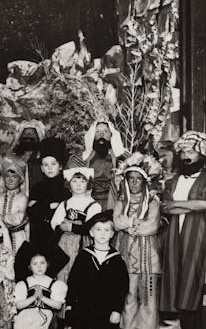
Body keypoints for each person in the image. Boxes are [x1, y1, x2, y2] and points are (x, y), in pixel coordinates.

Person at [160, 131, 206, 329]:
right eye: (183, 152)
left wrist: (178, 205)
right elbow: (165, 206)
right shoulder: (174, 179)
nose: (186, 156)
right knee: (174, 272)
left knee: (194, 273)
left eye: (191, 152)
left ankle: (190, 321)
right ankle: (177, 319)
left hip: (198, 232)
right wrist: (193, 204)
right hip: (173, 233)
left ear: (201, 155)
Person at [112, 153, 162, 329]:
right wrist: (132, 223)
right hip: (126, 255)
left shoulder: (153, 201)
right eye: (130, 178)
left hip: (148, 256)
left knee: (148, 296)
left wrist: (128, 226)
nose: (133, 182)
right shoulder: (121, 201)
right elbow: (116, 223)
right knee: (128, 293)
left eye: (138, 179)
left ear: (145, 181)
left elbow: (153, 226)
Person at [15, 137, 70, 282]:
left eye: (53, 164)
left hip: (57, 238)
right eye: (45, 165)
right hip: (38, 237)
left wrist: (42, 206)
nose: (50, 168)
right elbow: (32, 213)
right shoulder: (37, 188)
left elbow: (62, 212)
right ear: (41, 168)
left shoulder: (66, 190)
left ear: (60, 166)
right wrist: (50, 206)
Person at [65, 210, 128, 329]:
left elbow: (122, 287)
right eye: (98, 229)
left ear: (112, 234)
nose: (102, 234)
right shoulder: (84, 256)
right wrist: (69, 306)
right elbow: (73, 282)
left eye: (107, 230)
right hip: (83, 309)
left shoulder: (116, 259)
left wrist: (117, 310)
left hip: (106, 311)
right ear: (91, 232)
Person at [50, 167, 101, 283]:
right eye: (74, 181)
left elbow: (91, 227)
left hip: (83, 243)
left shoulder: (93, 205)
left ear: (88, 184)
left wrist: (72, 227)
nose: (78, 185)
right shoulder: (65, 203)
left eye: (82, 181)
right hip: (64, 243)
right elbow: (55, 222)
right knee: (63, 269)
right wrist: (61, 227)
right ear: (69, 183)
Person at [67, 121, 127, 209]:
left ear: (111, 135)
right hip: (88, 201)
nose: (101, 134)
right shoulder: (80, 158)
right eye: (97, 132)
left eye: (105, 131)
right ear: (92, 135)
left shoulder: (122, 156)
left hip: (114, 201)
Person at [13, 249, 67, 329]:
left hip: (44, 316)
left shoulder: (54, 284)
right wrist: (33, 297)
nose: (39, 266)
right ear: (30, 267)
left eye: (42, 263)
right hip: (26, 317)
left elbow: (58, 305)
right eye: (35, 264)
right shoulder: (24, 284)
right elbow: (19, 305)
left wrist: (42, 297)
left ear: (47, 264)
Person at [0, 154, 29, 252]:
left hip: (18, 237)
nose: (10, 180)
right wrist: (7, 218)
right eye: (7, 176)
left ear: (20, 179)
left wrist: (1, 217)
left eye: (14, 177)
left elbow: (18, 219)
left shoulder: (23, 198)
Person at [11, 120, 47, 191]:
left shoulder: (43, 157)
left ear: (38, 137)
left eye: (32, 133)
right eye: (25, 133)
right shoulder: (12, 157)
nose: (28, 136)